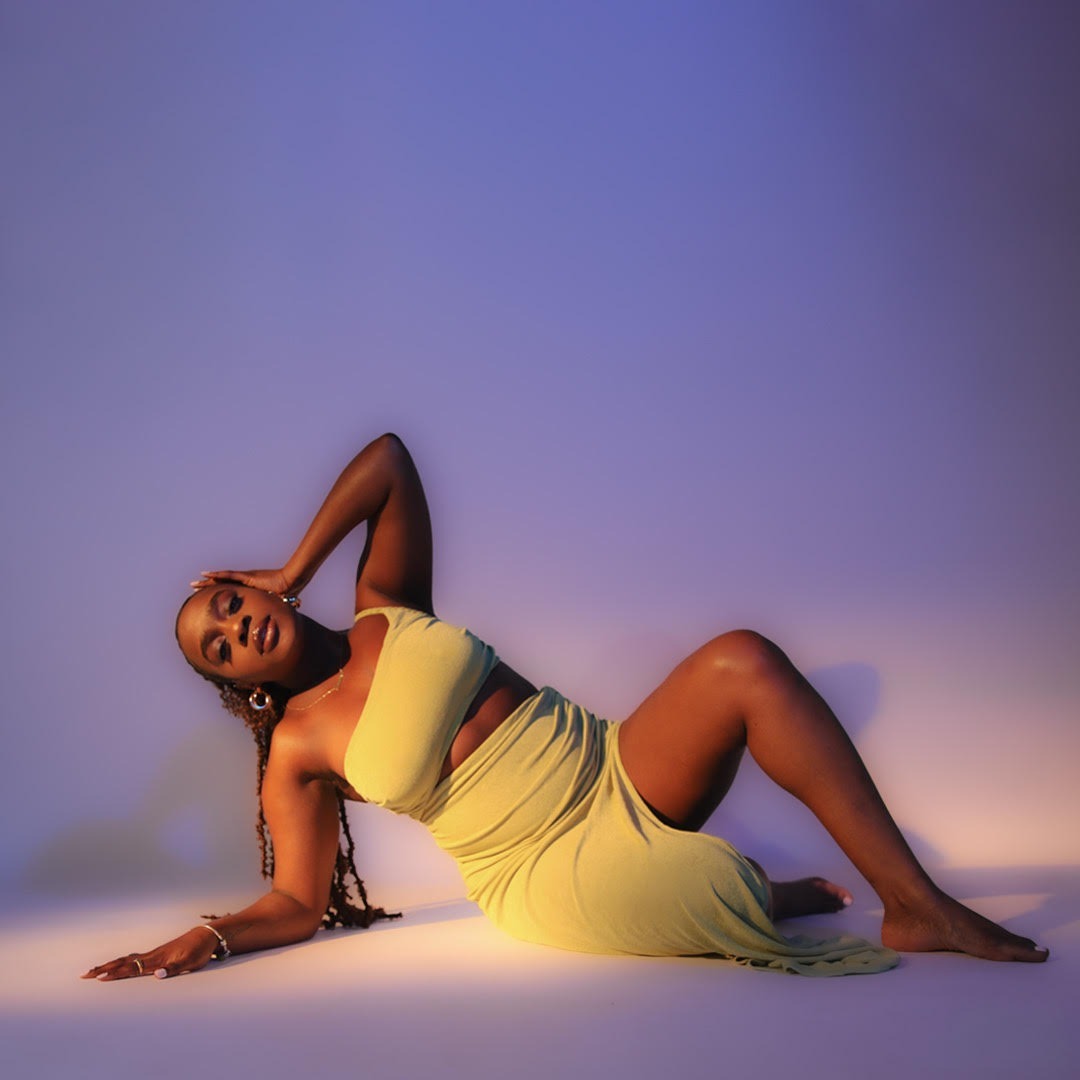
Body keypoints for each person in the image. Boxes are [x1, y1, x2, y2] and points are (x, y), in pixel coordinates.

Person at [82, 433, 1048, 981]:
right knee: (711, 884)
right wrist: (209, 937)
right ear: (239, 685)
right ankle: (766, 892)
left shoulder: (385, 604)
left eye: (228, 605)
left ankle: (915, 905)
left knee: (744, 659)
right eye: (216, 648)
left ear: (256, 591)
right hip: (539, 867)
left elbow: (390, 460)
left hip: (618, 765)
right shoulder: (297, 749)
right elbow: (298, 903)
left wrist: (297, 562)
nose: (235, 628)